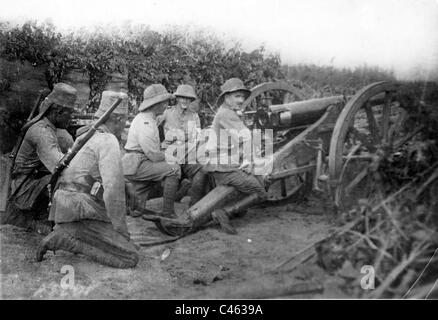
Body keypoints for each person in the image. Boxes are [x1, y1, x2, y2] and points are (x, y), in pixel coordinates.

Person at [36, 91, 139, 268]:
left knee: (121, 244)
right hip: (80, 209)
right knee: (130, 257)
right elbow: (113, 192)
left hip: (67, 204)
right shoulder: (108, 140)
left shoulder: (87, 137)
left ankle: (69, 233)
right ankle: (67, 240)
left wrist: (126, 185)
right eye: (124, 121)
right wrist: (121, 231)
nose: (124, 126)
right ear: (118, 119)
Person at [1, 83, 77, 235]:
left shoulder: (49, 129)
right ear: (58, 112)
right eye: (70, 113)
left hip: (32, 181)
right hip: (25, 187)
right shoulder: (41, 132)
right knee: (65, 181)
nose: (72, 117)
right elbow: (59, 166)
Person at [204, 78, 268, 234]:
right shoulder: (227, 114)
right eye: (236, 96)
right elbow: (245, 135)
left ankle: (234, 209)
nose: (241, 100)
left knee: (259, 178)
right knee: (260, 193)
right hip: (223, 167)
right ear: (226, 97)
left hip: (221, 163)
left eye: (242, 97)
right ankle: (225, 212)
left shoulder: (226, 112)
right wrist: (247, 160)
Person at [123, 84, 181, 219]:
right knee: (174, 169)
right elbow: (154, 156)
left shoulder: (147, 118)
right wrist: (171, 155)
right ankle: (168, 212)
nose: (167, 105)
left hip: (138, 162)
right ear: (156, 104)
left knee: (161, 170)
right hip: (137, 164)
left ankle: (135, 205)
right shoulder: (146, 123)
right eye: (165, 102)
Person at [160, 84, 208, 206]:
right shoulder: (166, 113)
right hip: (169, 155)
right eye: (182, 98)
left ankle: (195, 205)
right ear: (177, 98)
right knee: (173, 170)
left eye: (188, 98)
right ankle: (169, 207)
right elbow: (152, 129)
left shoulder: (194, 116)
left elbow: (197, 137)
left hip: (186, 155)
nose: (185, 101)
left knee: (202, 170)